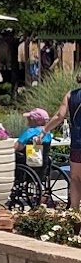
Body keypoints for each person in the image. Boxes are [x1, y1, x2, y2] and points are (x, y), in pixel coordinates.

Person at [38, 80, 81, 210]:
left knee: (76, 179)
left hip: (77, 144)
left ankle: (75, 216)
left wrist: (44, 130)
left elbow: (59, 116)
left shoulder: (71, 96)